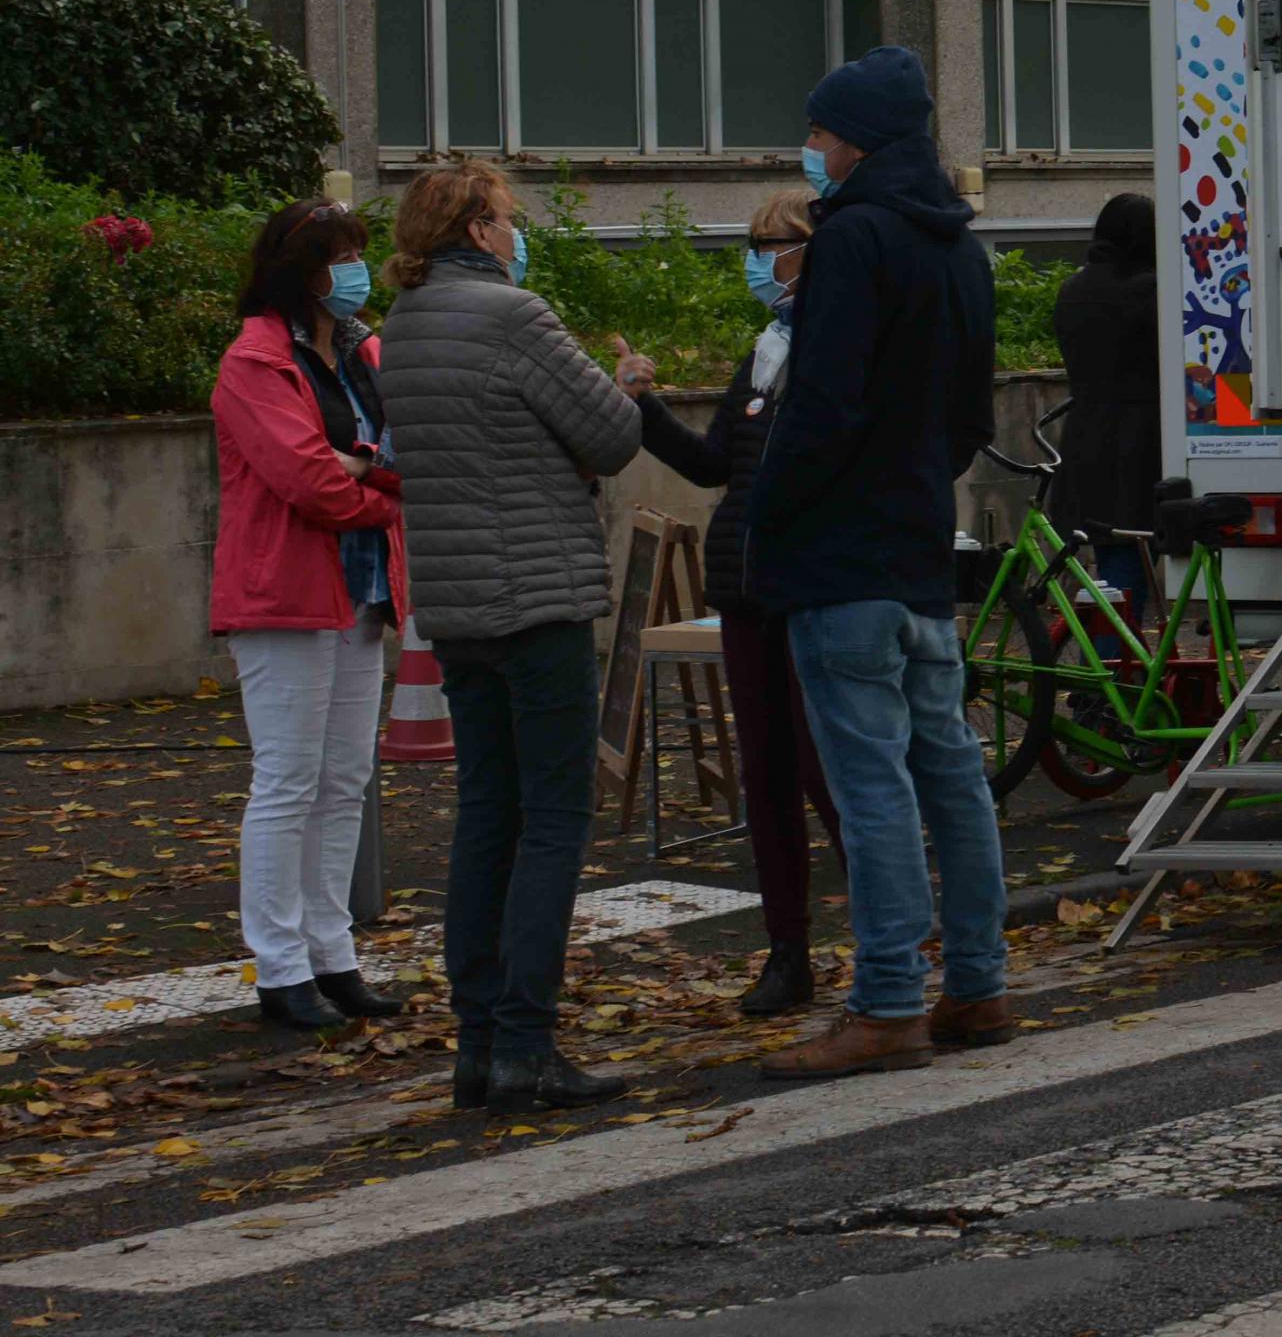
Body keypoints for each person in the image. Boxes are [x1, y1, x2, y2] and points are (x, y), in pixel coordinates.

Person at [745, 45, 1007, 1079]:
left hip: (841, 551)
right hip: (916, 544)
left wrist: (774, 515)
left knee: (871, 782)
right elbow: (968, 414)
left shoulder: (854, 242)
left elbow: (821, 404)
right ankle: (977, 984)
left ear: (855, 137)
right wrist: (917, 486)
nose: (811, 151)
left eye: (819, 133)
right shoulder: (960, 248)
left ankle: (888, 998)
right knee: (950, 769)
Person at [378, 163, 643, 1115]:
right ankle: (530, 1041)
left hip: (454, 605)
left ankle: (479, 1043)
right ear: (480, 228)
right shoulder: (514, 315)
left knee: (486, 815)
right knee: (555, 818)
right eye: (507, 217)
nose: (515, 231)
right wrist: (630, 386)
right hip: (536, 598)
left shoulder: (401, 327)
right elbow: (611, 436)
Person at [610, 189, 841, 1017]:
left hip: (809, 587)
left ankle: (895, 937)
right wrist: (642, 408)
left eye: (770, 243)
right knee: (768, 775)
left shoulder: (835, 343)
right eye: (749, 243)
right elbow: (714, 465)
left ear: (813, 250)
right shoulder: (768, 345)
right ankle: (788, 953)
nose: (756, 257)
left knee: (830, 772)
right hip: (746, 589)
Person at [208, 200, 414, 1034]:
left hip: (361, 591)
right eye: (342, 257)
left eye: (363, 253)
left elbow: (408, 457)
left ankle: (334, 955)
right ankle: (280, 966)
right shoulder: (254, 363)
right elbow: (309, 484)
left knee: (342, 782)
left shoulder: (365, 352)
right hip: (286, 597)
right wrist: (379, 486)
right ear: (300, 270)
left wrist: (364, 467)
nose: (357, 271)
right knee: (289, 782)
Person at [1047, 191, 1161, 613]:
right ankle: (1113, 663)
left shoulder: (1073, 289)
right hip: (1138, 439)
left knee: (1108, 553)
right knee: (1131, 558)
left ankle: (1107, 655)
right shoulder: (1151, 291)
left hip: (1084, 433)